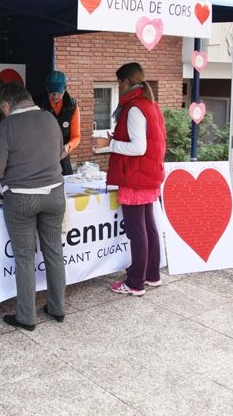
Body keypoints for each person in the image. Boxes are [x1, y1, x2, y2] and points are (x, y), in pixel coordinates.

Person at [0, 82, 66, 330]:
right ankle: (57, 308)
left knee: (24, 258)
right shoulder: (50, 119)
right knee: (54, 252)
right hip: (54, 194)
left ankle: (26, 316)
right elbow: (61, 152)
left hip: (20, 198)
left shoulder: (8, 126)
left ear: (7, 105)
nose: (2, 113)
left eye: (2, 109)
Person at [92, 62, 166, 296]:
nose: (118, 87)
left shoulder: (134, 108)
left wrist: (109, 144)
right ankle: (152, 275)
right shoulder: (151, 105)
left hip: (135, 176)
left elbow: (138, 147)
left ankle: (135, 282)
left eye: (118, 82)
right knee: (149, 227)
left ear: (125, 82)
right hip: (148, 174)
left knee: (137, 231)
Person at [34, 70, 80, 175]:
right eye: (52, 92)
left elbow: (76, 136)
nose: (55, 96)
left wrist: (68, 146)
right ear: (46, 89)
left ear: (65, 88)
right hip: (40, 159)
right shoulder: (36, 103)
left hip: (62, 158)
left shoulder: (72, 106)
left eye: (58, 92)